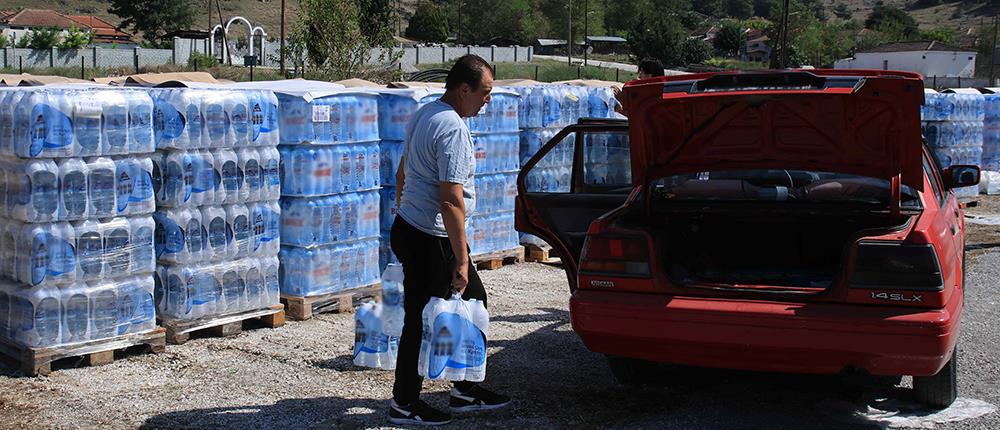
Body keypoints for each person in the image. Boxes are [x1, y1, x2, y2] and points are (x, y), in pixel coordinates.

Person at [388, 54, 511, 426]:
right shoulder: (453, 128)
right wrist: (460, 258)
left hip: (412, 227)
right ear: (464, 89)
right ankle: (404, 402)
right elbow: (451, 200)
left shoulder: (426, 112)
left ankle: (464, 390)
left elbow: (403, 169)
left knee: (473, 299)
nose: (488, 100)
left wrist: (404, 206)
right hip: (431, 237)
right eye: (485, 93)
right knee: (421, 320)